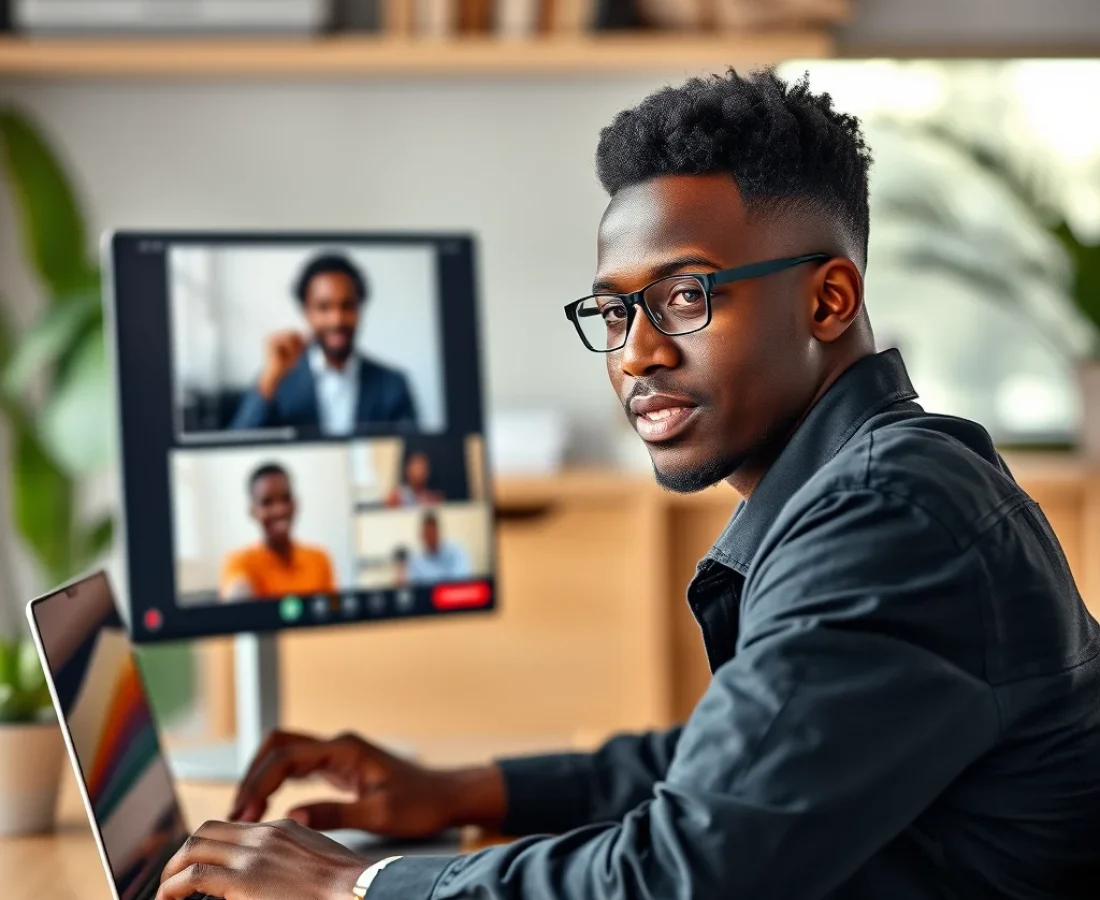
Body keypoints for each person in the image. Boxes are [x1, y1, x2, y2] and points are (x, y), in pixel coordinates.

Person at [159, 70, 1100, 900]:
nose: (637, 354)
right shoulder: (882, 479)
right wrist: (460, 791)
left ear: (829, 299)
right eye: (615, 311)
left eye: (686, 295)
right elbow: (742, 763)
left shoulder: (887, 517)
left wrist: (352, 884)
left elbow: (681, 874)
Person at [229, 253, 418, 436]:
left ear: (359, 309)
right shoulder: (278, 382)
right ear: (306, 312)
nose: (337, 320)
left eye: (347, 306)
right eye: (323, 307)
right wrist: (270, 379)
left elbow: (414, 450)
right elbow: (237, 443)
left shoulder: (392, 385)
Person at [219, 463, 336, 601]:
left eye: (285, 499)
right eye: (267, 502)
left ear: (295, 503)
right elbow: (236, 598)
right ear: (252, 511)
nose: (279, 510)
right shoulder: (239, 562)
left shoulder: (319, 559)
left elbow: (331, 608)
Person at [405, 512, 470, 584]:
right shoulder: (416, 562)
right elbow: (416, 587)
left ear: (438, 532)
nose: (429, 537)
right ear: (421, 536)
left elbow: (460, 581)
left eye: (432, 532)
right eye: (426, 533)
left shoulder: (457, 551)